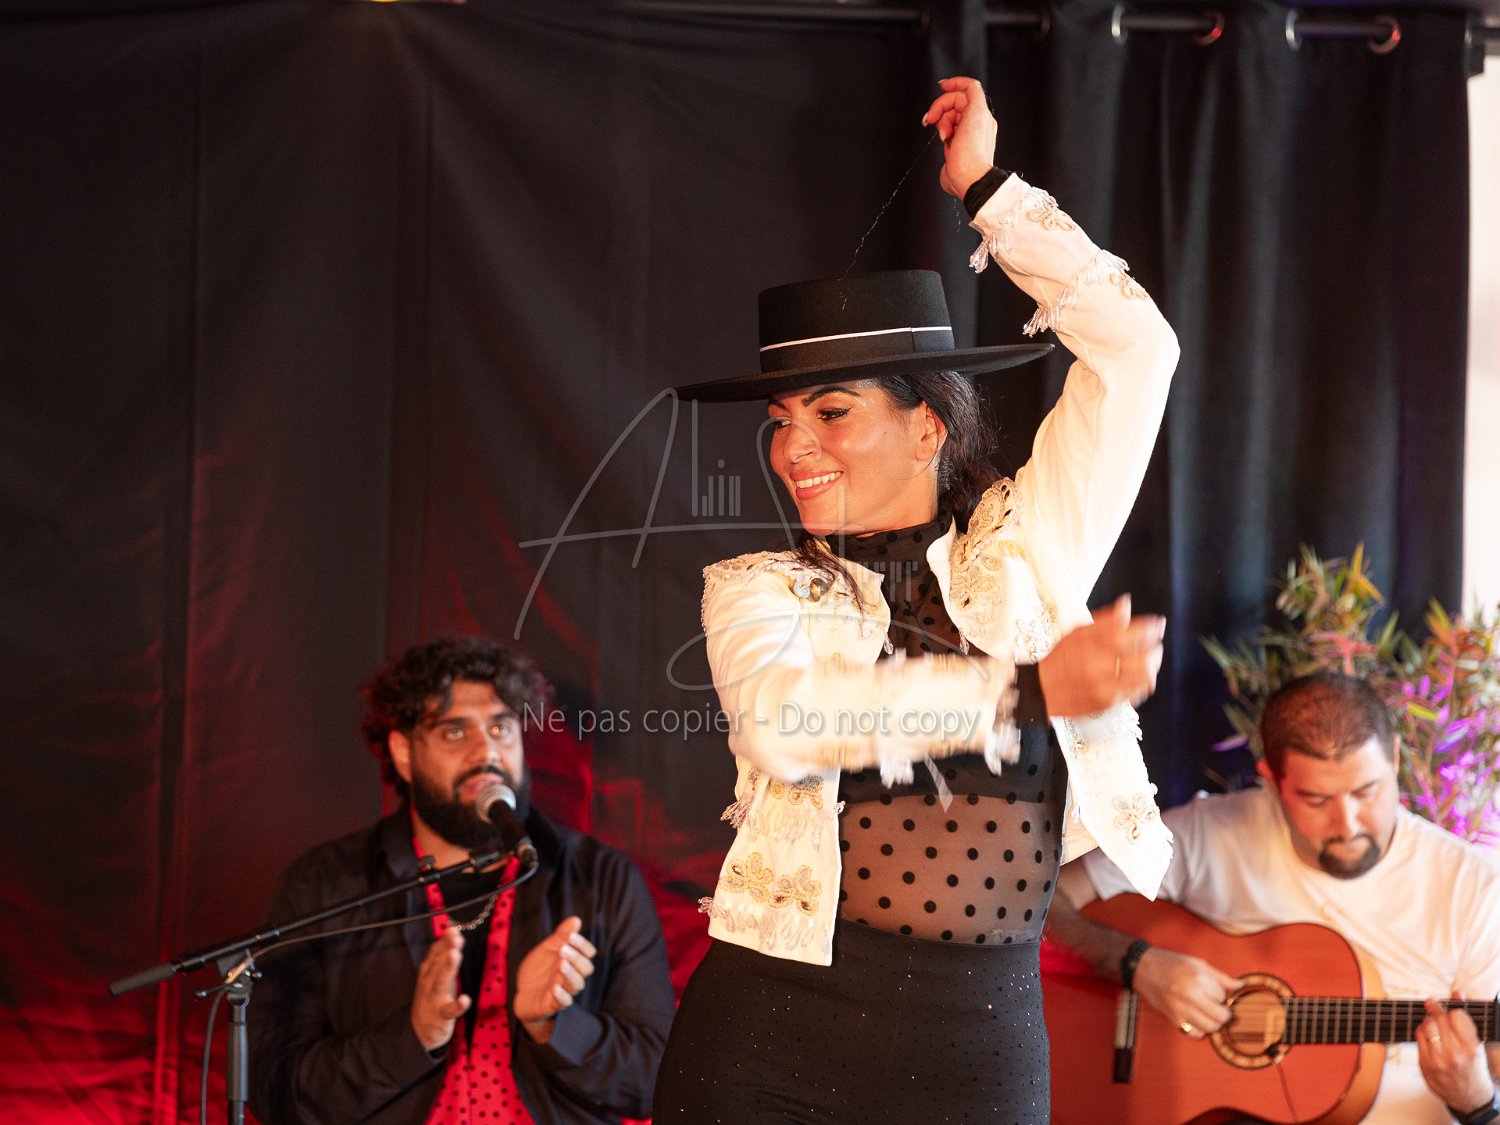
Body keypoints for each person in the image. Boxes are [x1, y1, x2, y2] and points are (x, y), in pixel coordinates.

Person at [651, 76, 1179, 1122]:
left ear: (927, 425)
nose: (793, 446)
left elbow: (1139, 351)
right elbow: (790, 725)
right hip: (769, 1038)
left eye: (831, 412)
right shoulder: (761, 590)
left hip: (977, 1051)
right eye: (781, 420)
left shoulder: (1032, 546)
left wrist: (989, 190)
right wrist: (1028, 692)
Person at [247, 637, 675, 1125]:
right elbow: (275, 1092)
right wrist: (411, 1038)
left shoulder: (601, 878)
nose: (485, 752)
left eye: (501, 728)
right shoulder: (325, 884)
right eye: (454, 731)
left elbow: (656, 1082)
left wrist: (554, 1025)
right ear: (403, 752)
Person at [1047, 670, 1500, 1125]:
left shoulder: (1473, 889)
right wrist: (1137, 964)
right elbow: (1041, 907)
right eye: (1316, 799)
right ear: (1272, 780)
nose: (1348, 825)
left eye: (1367, 791)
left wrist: (1478, 1103)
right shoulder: (1211, 833)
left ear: (1395, 758)